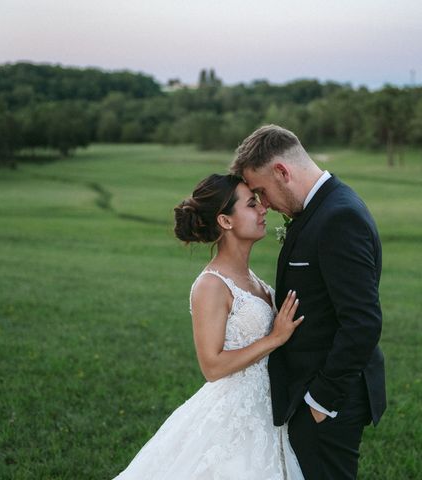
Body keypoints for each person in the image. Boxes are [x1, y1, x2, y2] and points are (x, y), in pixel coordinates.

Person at [113, 174, 305, 480]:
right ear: (225, 221)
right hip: (234, 415)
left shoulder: (252, 277)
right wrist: (274, 339)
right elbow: (211, 366)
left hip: (269, 410)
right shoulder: (211, 285)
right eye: (252, 204)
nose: (263, 209)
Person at [231, 125, 386, 480]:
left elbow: (363, 323)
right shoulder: (317, 209)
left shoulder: (339, 217)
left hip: (329, 400)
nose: (264, 203)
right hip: (308, 393)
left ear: (282, 172)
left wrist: (320, 402)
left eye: (261, 191)